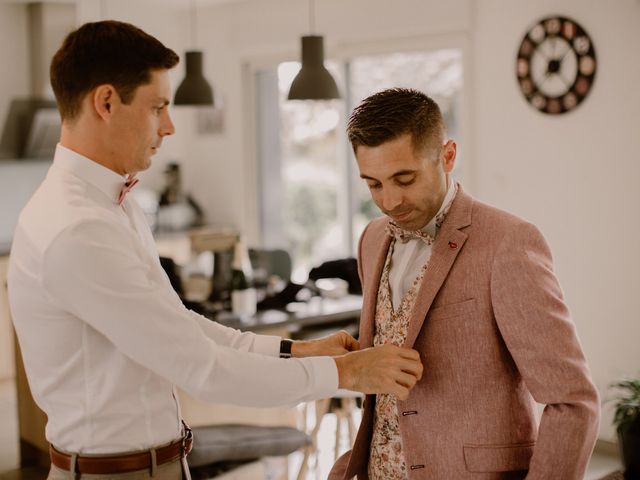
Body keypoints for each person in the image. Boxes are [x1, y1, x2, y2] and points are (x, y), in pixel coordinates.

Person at [7, 22, 424, 480]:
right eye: (158, 107)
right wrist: (346, 374)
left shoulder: (107, 207)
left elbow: (179, 324)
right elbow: (204, 370)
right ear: (106, 102)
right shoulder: (78, 228)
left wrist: (296, 351)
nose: (169, 126)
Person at [328, 88, 600, 480]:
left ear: (448, 155)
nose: (389, 201)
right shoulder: (371, 239)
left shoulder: (508, 242)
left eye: (404, 179)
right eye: (373, 184)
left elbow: (573, 401)